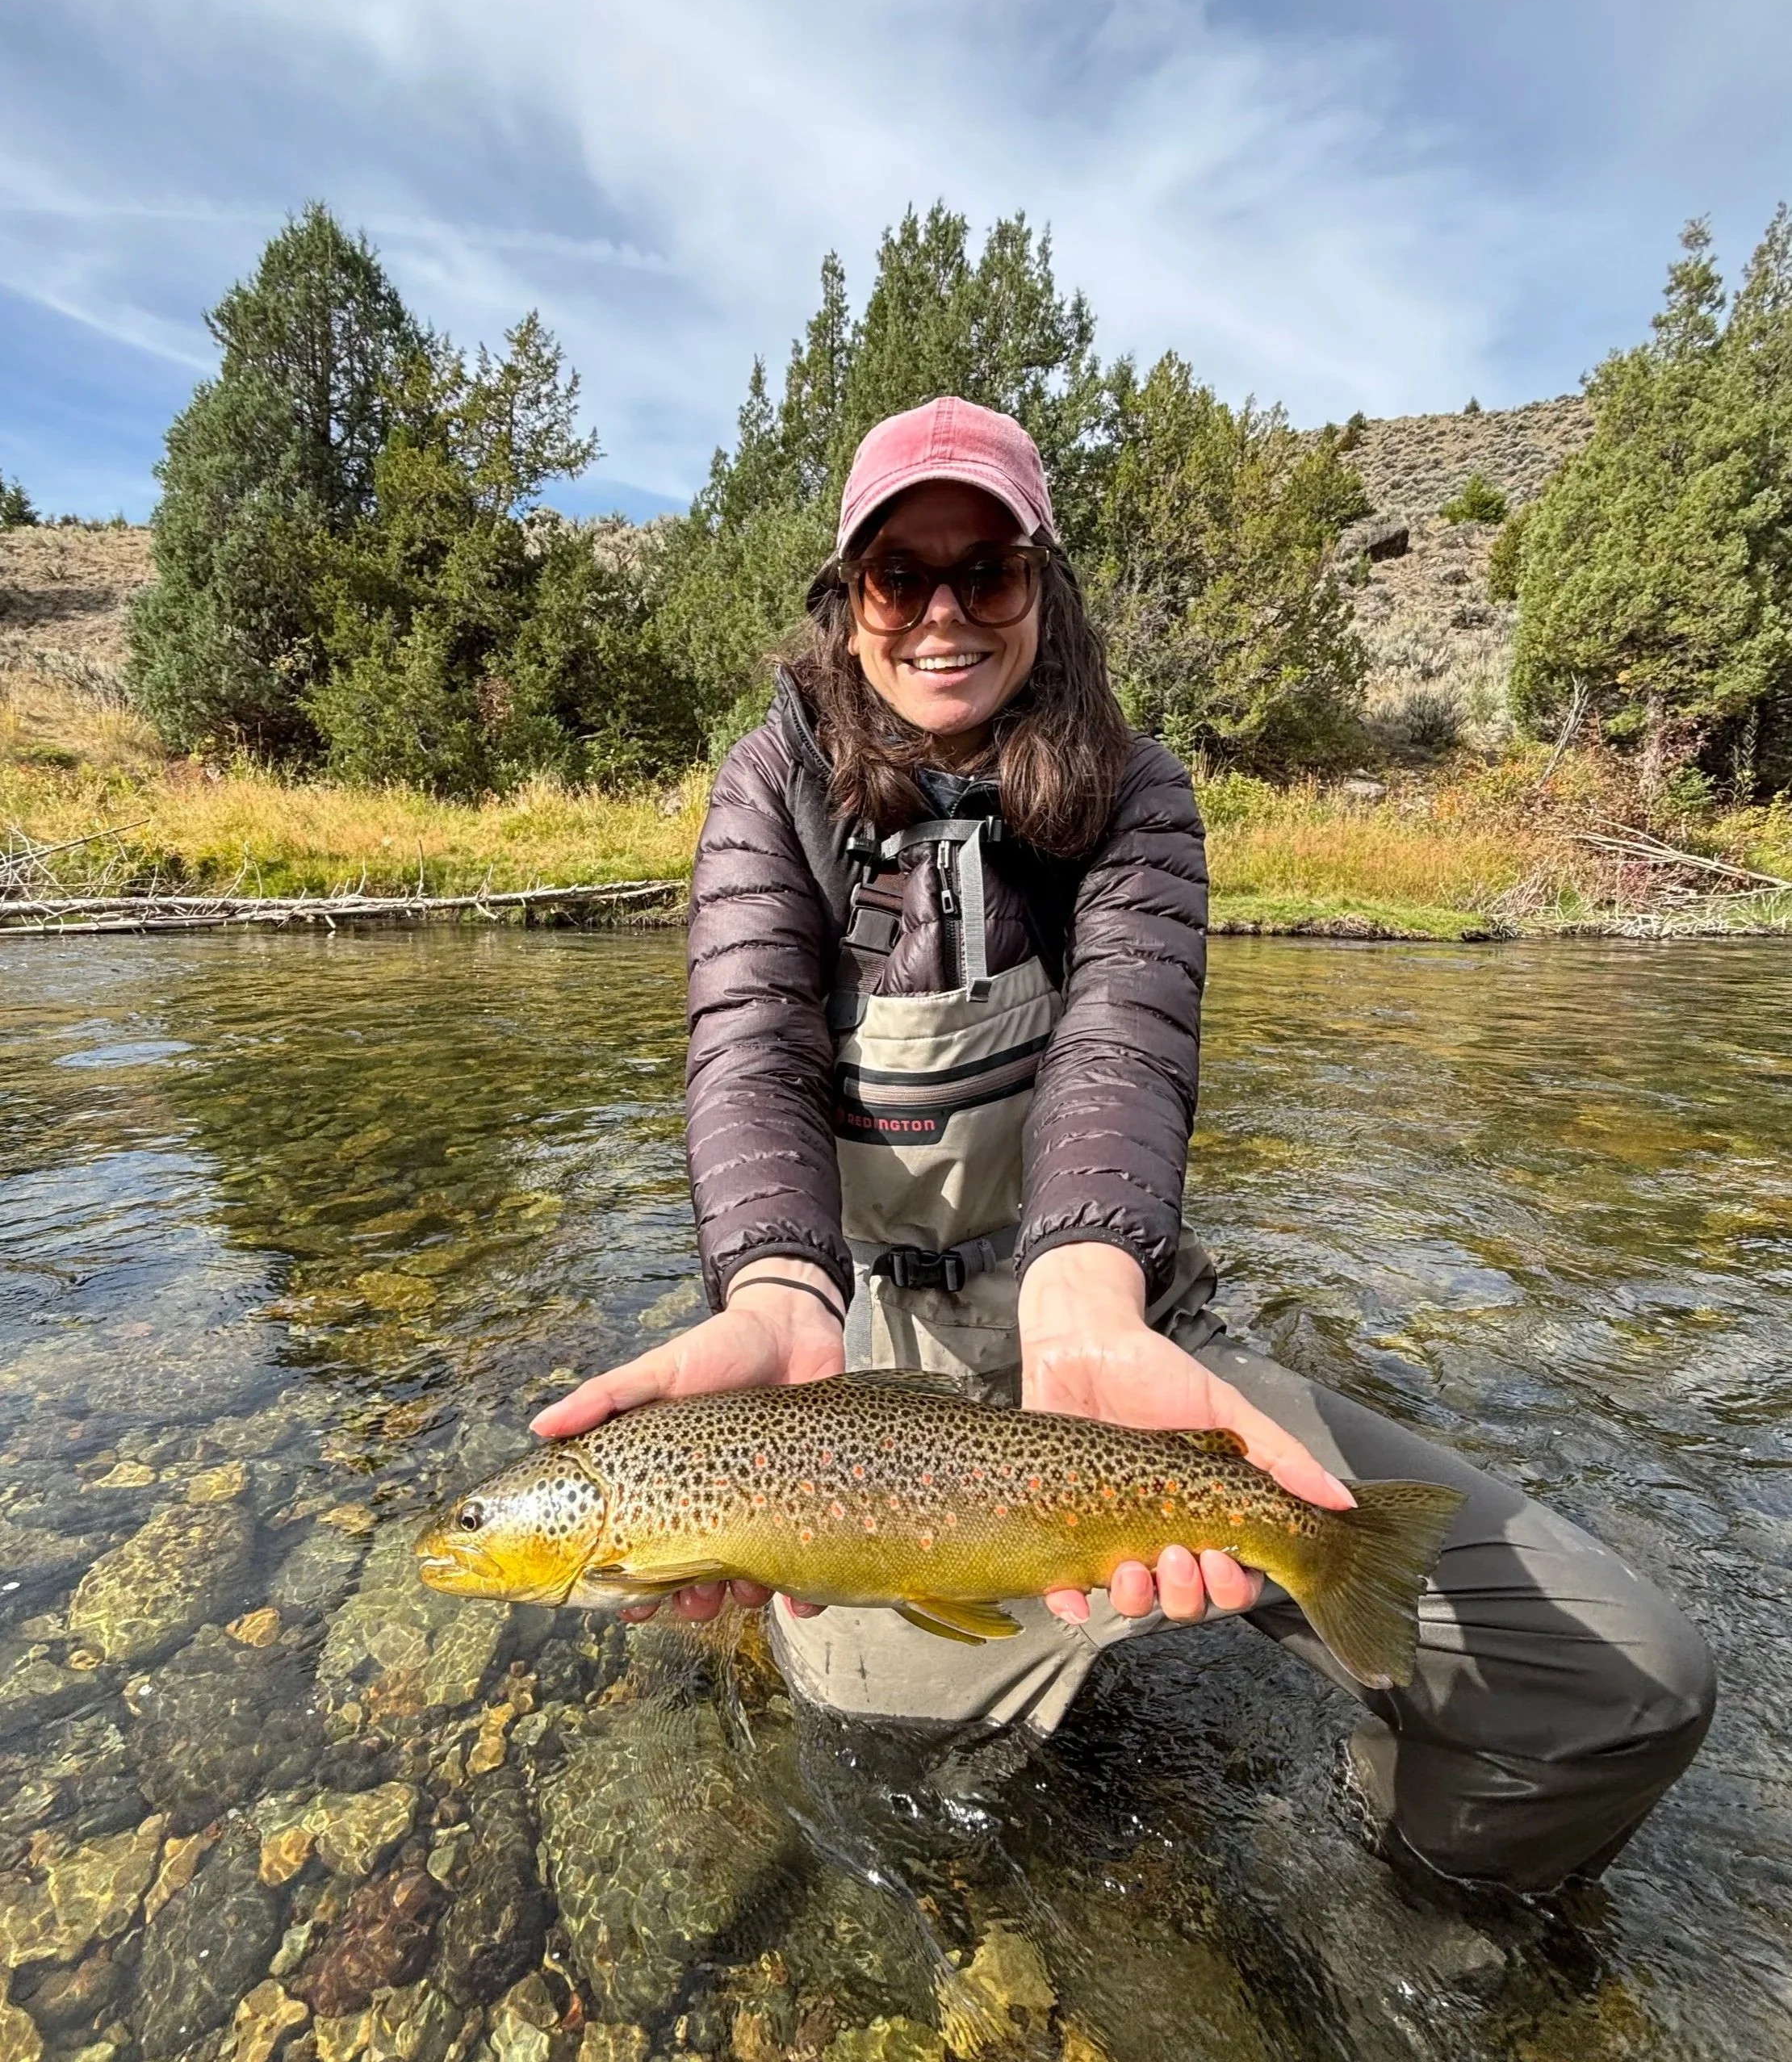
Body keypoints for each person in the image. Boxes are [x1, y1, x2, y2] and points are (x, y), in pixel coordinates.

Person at [534, 395, 1715, 1894]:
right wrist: (774, 1296)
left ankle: (1421, 1917)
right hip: (862, 1382)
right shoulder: (772, 791)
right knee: (901, 1775)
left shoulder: (1137, 796)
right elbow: (749, 1044)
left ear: (1045, 586)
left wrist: (1087, 1295)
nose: (945, 612)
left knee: (1625, 1687)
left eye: (990, 572)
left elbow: (1123, 1055)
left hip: (1122, 1347)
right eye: (902, 576)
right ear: (848, 604)